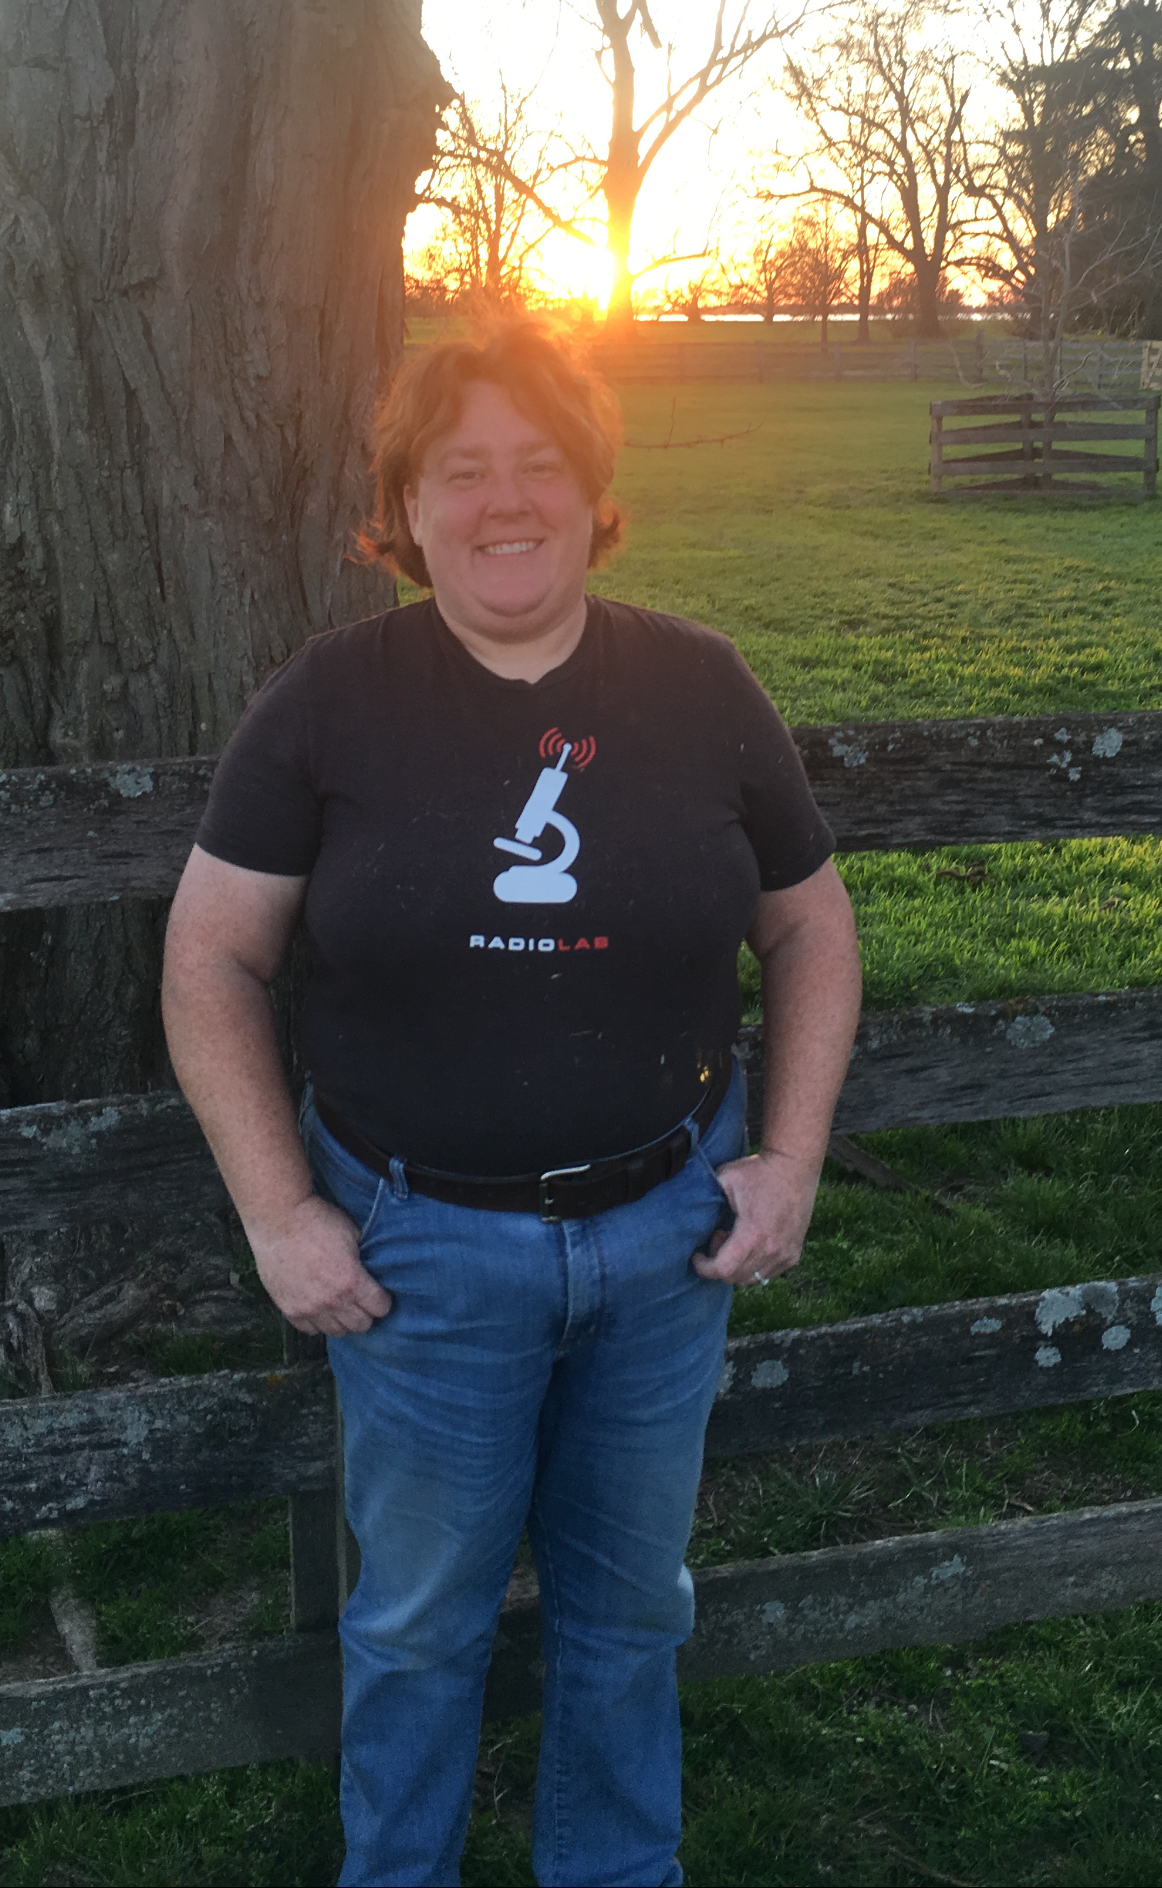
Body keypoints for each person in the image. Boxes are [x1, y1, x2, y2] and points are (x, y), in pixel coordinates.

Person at [162, 321, 861, 1888]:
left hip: (667, 1237)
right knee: (417, 1624)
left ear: (591, 491)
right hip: (417, 1254)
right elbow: (210, 956)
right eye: (460, 470)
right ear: (406, 508)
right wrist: (278, 1212)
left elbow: (810, 925)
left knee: (632, 1612)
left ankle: (613, 1869)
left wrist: (790, 1158)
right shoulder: (328, 701)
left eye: (538, 464)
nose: (503, 502)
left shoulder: (697, 683)